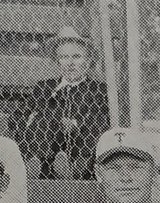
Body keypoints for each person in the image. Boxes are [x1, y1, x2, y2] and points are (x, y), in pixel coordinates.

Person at [13, 26, 111, 181]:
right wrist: (31, 122)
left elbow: (102, 120)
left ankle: (77, 168)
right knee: (41, 118)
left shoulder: (98, 89)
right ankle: (35, 163)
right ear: (57, 61)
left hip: (80, 145)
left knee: (98, 119)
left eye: (77, 56)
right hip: (47, 148)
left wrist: (76, 124)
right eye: (64, 57)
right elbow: (18, 116)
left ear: (88, 60)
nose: (70, 63)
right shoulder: (44, 87)